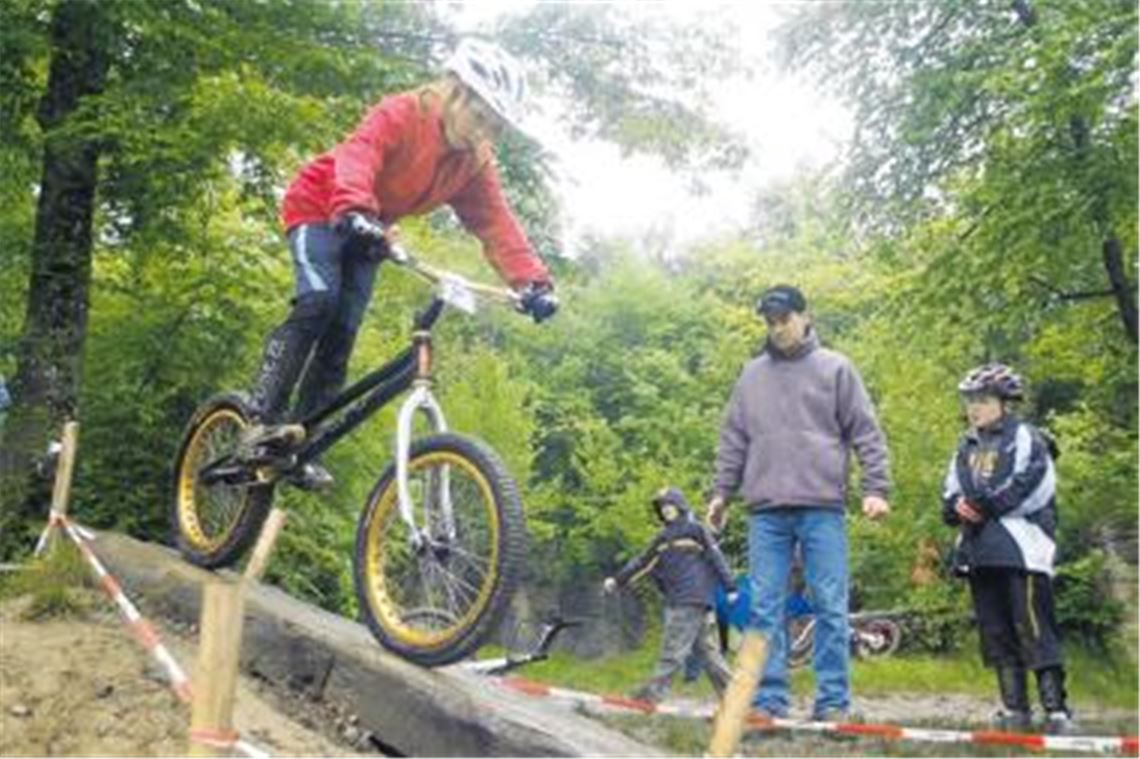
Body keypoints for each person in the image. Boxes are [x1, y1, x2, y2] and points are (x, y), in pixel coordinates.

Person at [243, 38, 558, 490]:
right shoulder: (401, 113)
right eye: (479, 117)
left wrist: (533, 283)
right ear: (454, 92)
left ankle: (299, 443)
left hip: (373, 232)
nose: (482, 132)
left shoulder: (473, 163)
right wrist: (353, 207)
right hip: (322, 208)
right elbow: (360, 154)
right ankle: (258, 416)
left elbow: (495, 221)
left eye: (494, 127)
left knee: (343, 333)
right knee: (319, 302)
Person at [706, 284, 891, 721]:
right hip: (765, 511)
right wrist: (721, 492)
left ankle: (833, 702)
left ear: (805, 317)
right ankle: (769, 700)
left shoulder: (836, 369)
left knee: (829, 601)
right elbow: (734, 439)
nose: (778, 329)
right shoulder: (751, 375)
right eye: (771, 322)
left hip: (822, 507)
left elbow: (866, 432)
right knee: (764, 606)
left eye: (785, 319)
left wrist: (876, 489)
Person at [942, 363, 1073, 733]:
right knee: (996, 629)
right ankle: (1015, 709)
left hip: (1024, 549)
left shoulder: (1028, 438)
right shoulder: (965, 446)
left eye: (982, 400)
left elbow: (1031, 486)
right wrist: (956, 507)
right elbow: (949, 494)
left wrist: (981, 506)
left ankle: (1055, 709)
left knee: (1033, 626)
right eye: (970, 401)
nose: (974, 408)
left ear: (1004, 402)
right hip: (979, 551)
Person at [603, 487, 736, 703]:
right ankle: (736, 698)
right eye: (662, 508)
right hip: (685, 599)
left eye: (670, 506)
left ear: (680, 506)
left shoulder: (697, 530)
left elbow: (715, 556)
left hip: (689, 598)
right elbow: (642, 562)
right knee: (708, 654)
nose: (666, 511)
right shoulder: (663, 538)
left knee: (673, 650)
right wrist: (618, 580)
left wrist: (730, 586)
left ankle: (650, 696)